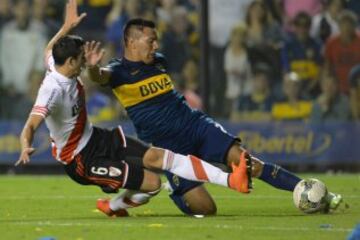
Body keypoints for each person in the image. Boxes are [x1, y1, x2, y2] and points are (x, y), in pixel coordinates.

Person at [15, 0, 252, 218]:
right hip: (80, 160)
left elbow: (50, 48)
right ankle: (115, 206)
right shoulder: (52, 90)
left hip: (98, 138)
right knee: (153, 184)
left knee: (157, 157)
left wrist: (66, 26)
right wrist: (26, 145)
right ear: (69, 63)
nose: (84, 62)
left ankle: (232, 180)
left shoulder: (55, 62)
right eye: (81, 59)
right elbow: (31, 124)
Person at [87, 18, 343, 215]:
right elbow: (100, 76)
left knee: (247, 162)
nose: (156, 46)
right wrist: (92, 67)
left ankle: (316, 193)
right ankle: (177, 190)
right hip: (169, 148)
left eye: (156, 41)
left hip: (196, 126)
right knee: (206, 209)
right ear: (131, 42)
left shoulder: (159, 62)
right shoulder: (118, 71)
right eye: (150, 41)